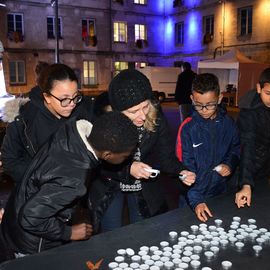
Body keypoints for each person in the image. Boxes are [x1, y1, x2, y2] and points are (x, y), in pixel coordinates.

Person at [1, 112, 138, 256]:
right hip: (33, 244)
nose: (128, 158)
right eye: (126, 156)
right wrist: (69, 232)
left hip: (15, 216)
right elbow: (30, 217)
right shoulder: (73, 179)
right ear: (107, 155)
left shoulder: (70, 131)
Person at [90, 69, 196, 232]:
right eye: (133, 111)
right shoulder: (104, 121)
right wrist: (128, 168)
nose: (142, 116)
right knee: (111, 232)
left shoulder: (155, 117)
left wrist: (181, 171)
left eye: (145, 107)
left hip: (142, 184)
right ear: (117, 112)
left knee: (141, 230)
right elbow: (95, 162)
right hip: (108, 181)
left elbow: (165, 157)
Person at [1, 63, 95, 185]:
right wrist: (40, 179)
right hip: (38, 196)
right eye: (64, 99)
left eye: (75, 96)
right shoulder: (23, 119)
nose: (72, 103)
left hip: (78, 193)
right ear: (47, 97)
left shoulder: (84, 111)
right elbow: (10, 160)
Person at [176, 73, 240, 222]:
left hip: (219, 194)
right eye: (198, 105)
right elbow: (185, 168)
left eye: (210, 104)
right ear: (192, 99)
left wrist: (229, 165)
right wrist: (196, 200)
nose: (204, 109)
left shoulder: (229, 124)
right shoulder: (187, 128)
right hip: (190, 198)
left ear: (219, 98)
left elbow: (236, 149)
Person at [235, 68, 270, 208]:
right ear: (259, 88)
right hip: (244, 170)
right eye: (268, 93)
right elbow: (247, 147)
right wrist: (246, 183)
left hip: (263, 171)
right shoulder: (249, 112)